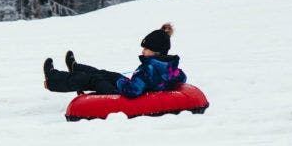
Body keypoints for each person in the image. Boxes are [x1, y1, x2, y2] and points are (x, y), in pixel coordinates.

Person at [43, 23, 187, 97]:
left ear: (156, 51)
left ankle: (53, 79)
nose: (143, 51)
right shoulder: (170, 67)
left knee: (94, 80)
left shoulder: (149, 69)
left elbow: (133, 91)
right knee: (107, 74)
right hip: (129, 87)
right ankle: (76, 67)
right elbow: (182, 77)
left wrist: (121, 82)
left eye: (146, 49)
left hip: (122, 95)